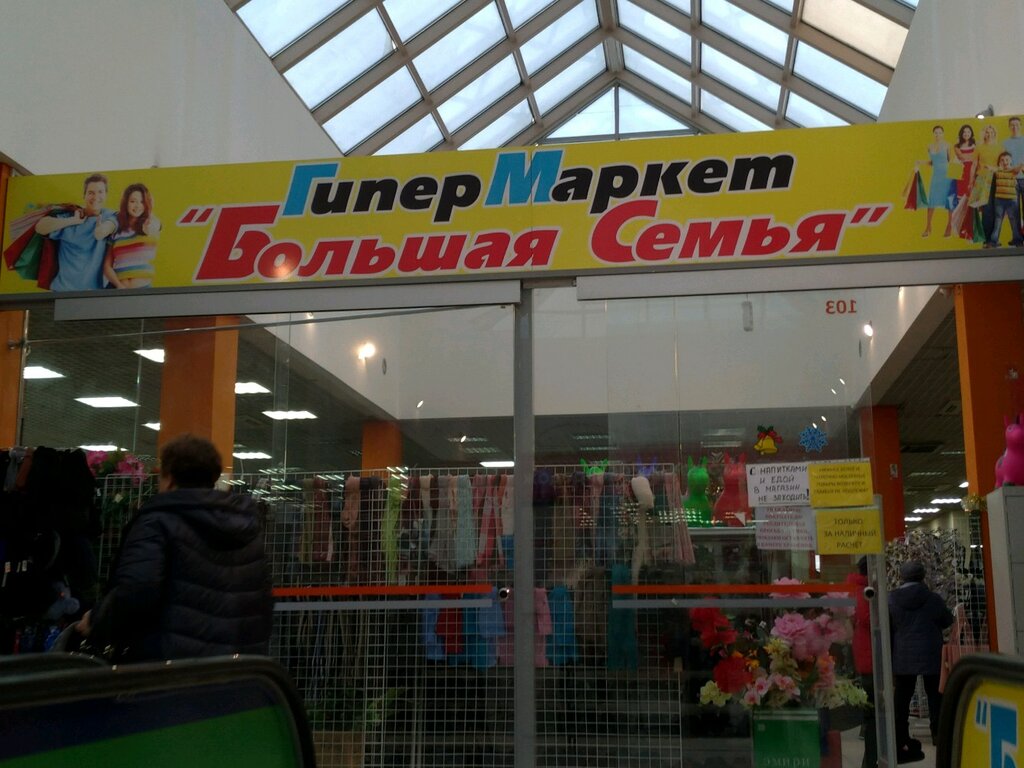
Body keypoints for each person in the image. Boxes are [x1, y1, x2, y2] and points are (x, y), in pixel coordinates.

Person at [77, 434, 273, 662]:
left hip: (171, 669)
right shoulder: (246, 529)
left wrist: (97, 621)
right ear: (213, 477)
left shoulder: (158, 522)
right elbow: (261, 602)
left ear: (169, 478)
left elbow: (136, 590)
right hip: (237, 668)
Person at [889, 560, 954, 762]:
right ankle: (938, 735)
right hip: (930, 652)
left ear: (902, 577)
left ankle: (900, 736)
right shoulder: (933, 599)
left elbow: (889, 625)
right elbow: (947, 620)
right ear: (923, 576)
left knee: (902, 698)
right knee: (935, 696)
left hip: (903, 654)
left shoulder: (891, 599)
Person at [33, 173, 118, 291]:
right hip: (63, 291)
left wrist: (101, 231)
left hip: (94, 293)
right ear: (84, 195)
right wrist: (73, 220)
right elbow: (40, 227)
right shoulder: (71, 216)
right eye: (91, 193)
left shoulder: (111, 216)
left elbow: (113, 225)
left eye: (100, 192)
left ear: (106, 195)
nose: (96, 197)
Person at [101, 182, 161, 288]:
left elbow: (153, 227)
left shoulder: (151, 224)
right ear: (126, 203)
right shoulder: (116, 230)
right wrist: (119, 286)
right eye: (133, 201)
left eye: (142, 202)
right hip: (117, 288)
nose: (137, 206)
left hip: (143, 290)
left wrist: (150, 211)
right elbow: (107, 267)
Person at [847, 556, 876, 768]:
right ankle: (871, 758)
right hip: (870, 651)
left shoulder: (854, 588)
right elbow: (866, 618)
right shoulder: (864, 592)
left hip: (863, 649)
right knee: (873, 708)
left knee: (870, 702)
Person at [918, 125, 954, 237]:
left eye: (940, 132)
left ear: (943, 134)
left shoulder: (948, 145)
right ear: (933, 134)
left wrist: (955, 178)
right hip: (936, 176)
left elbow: (951, 161)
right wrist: (921, 162)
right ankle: (928, 226)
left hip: (947, 176)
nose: (938, 134)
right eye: (936, 133)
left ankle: (949, 226)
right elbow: (933, 162)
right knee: (931, 201)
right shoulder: (929, 146)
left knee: (949, 201)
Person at [986, 151, 1024, 248]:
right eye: (1002, 160)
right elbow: (993, 169)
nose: (1004, 162)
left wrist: (1021, 164)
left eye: (1007, 160)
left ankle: (1017, 240)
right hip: (999, 200)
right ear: (999, 163)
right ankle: (994, 241)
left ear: (1011, 161)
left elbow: (1018, 168)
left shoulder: (1013, 171)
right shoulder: (998, 170)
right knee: (998, 220)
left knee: (1014, 220)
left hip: (1012, 200)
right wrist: (989, 167)